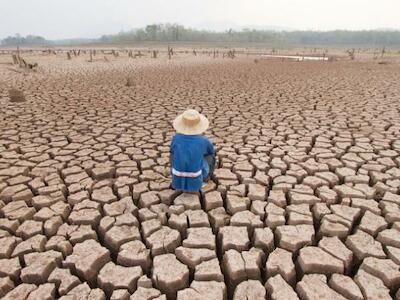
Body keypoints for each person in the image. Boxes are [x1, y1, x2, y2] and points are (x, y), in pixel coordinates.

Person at [170, 109, 215, 193]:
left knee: (173, 154)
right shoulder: (203, 140)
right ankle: (206, 178)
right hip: (196, 180)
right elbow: (211, 151)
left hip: (177, 178)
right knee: (210, 156)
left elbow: (172, 151)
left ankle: (173, 175)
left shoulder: (175, 138)